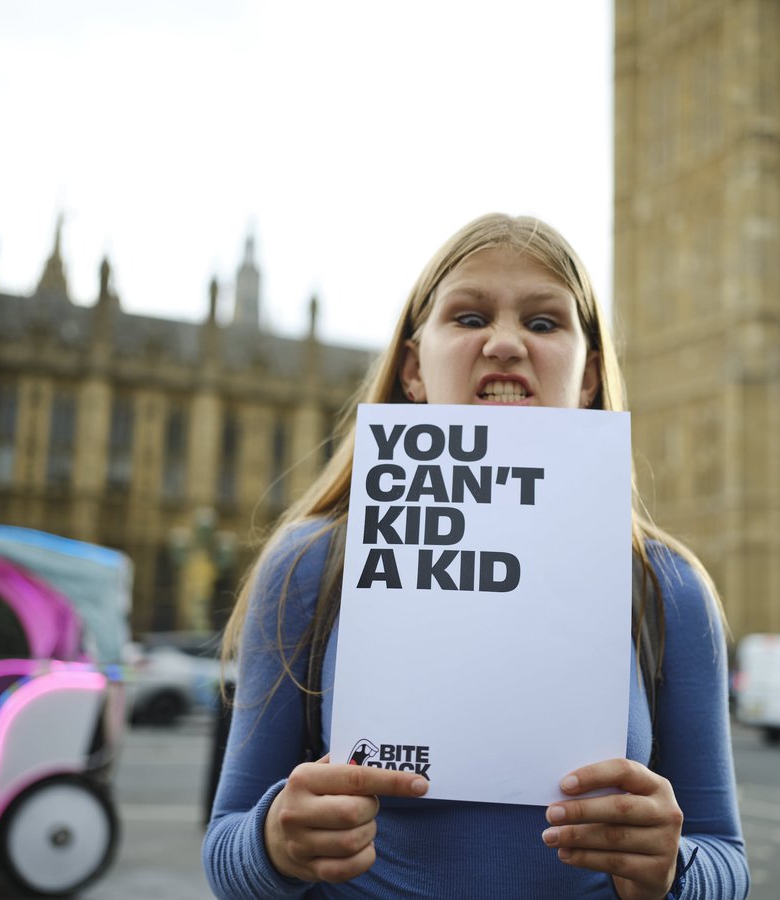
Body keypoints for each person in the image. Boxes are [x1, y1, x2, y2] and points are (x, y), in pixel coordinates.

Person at [203, 213, 750, 899]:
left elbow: (725, 860)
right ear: (412, 370)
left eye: (545, 324)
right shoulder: (313, 564)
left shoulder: (665, 588)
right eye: (468, 317)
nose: (505, 343)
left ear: (588, 379)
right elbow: (226, 848)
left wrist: (676, 872)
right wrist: (272, 842)